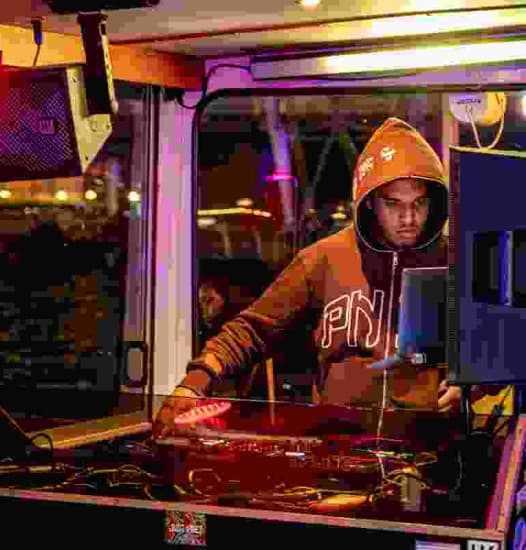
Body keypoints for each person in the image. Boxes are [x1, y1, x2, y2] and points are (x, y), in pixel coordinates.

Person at [153, 117, 463, 438]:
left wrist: (473, 386)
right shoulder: (323, 258)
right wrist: (194, 384)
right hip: (340, 445)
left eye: (419, 203)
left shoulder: (455, 260)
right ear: (370, 202)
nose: (409, 218)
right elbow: (252, 330)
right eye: (393, 204)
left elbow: (495, 345)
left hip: (428, 446)